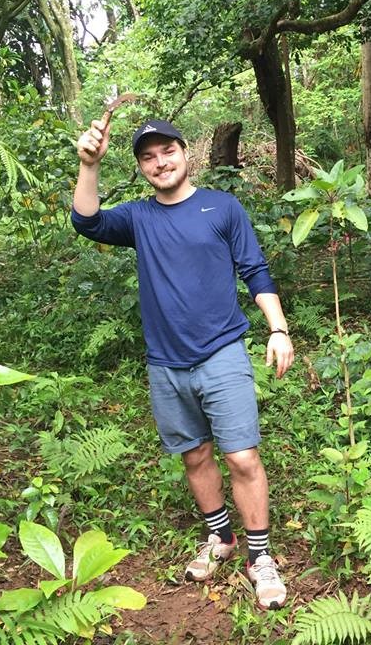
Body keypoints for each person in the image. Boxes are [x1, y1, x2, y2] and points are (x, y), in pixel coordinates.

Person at [73, 117, 294, 610]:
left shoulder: (222, 206)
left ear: (184, 152)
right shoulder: (139, 218)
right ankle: (221, 538)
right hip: (165, 363)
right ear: (140, 167)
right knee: (195, 455)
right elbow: (86, 220)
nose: (160, 162)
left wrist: (278, 329)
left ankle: (260, 555)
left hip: (221, 352)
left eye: (167, 151)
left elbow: (255, 269)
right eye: (148, 157)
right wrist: (89, 165)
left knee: (241, 457)